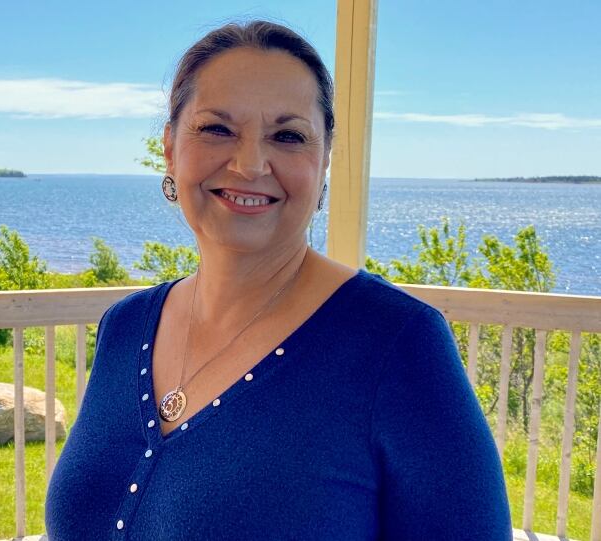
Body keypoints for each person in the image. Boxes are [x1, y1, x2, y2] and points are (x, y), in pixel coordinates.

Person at [45, 20, 511, 540]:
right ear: (171, 148)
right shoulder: (125, 327)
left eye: (288, 136)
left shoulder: (399, 345)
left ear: (324, 162)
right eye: (217, 129)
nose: (249, 164)